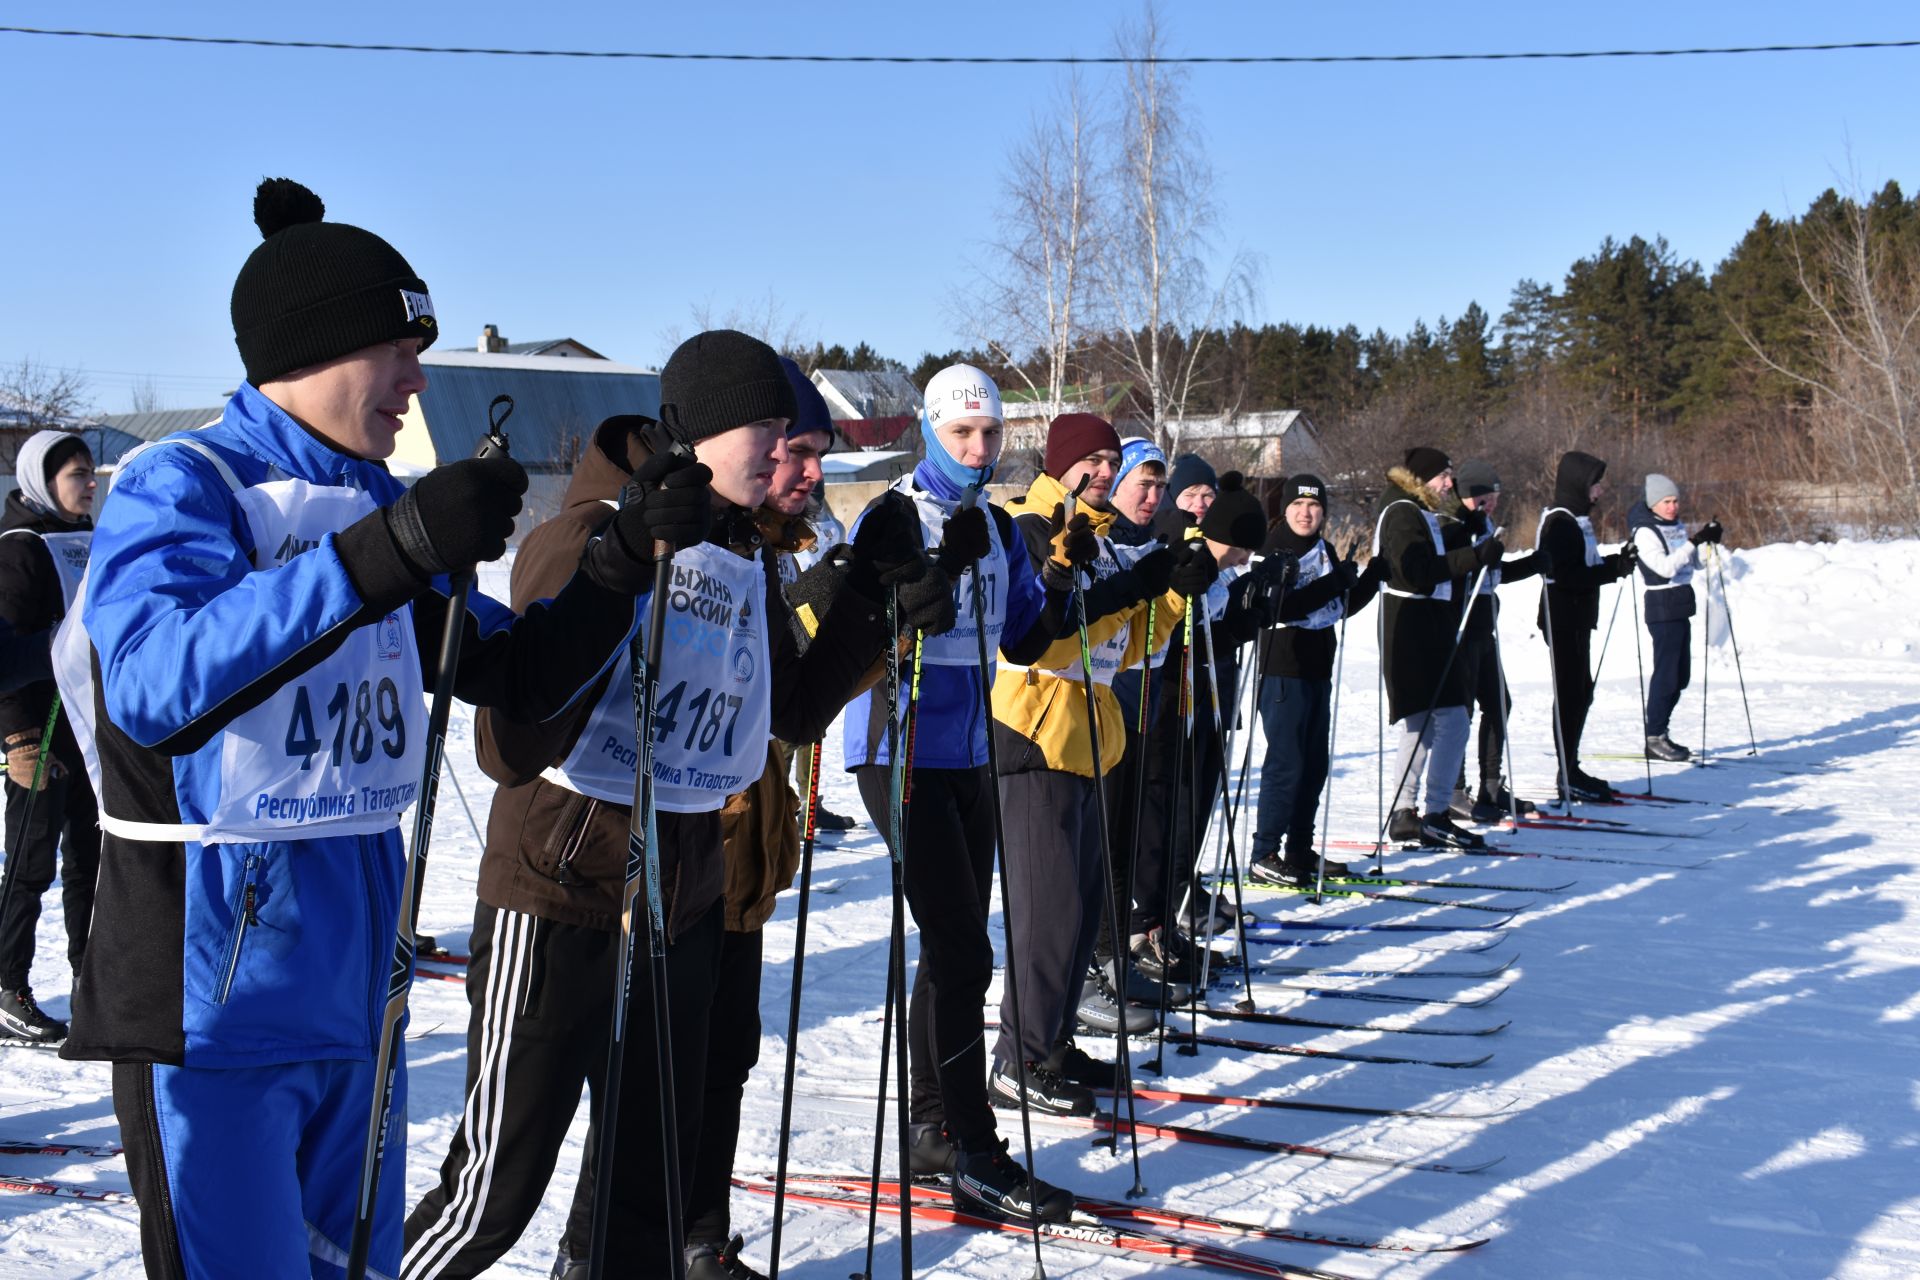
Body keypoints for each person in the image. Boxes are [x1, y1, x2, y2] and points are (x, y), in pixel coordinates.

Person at [63, 177, 667, 1280]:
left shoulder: (370, 510)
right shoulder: (184, 482)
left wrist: (620, 563)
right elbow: (151, 680)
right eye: (398, 346)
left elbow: (515, 682)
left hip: (358, 1003)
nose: (416, 378)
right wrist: (383, 552)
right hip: (212, 1010)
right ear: (317, 347)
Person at [400, 333, 907, 1279]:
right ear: (706, 429)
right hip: (557, 896)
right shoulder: (586, 529)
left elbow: (786, 711)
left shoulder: (741, 553)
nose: (786, 454)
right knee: (491, 1197)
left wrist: (870, 592)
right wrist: (623, 560)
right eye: (770, 429)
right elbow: (506, 740)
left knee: (645, 1195)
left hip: (680, 905)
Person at [841, 364, 1082, 1222]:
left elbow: (1025, 640)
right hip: (897, 749)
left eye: (991, 435)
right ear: (930, 431)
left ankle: (933, 1126)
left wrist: (1059, 579)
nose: (979, 451)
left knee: (955, 948)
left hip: (971, 752)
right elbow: (864, 622)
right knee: (959, 948)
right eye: (961, 435)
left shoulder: (1002, 524)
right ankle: (972, 1148)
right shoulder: (892, 514)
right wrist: (940, 564)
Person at [989, 412, 1197, 1116]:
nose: (1105, 472)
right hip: (1034, 737)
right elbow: (1044, 642)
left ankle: (1050, 1043)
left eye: (1113, 459)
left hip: (1091, 737)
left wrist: (1169, 591)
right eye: (1093, 460)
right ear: (1061, 463)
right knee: (1046, 914)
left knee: (1078, 913)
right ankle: (1018, 1057)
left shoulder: (1103, 541)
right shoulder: (1028, 526)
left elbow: (1128, 645)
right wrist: (1129, 593)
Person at [1129, 472, 1264, 966]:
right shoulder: (1185, 556)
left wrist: (1248, 617)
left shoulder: (1217, 567)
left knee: (1182, 812)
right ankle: (1146, 928)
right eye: (1246, 546)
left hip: (1194, 701)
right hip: (1163, 703)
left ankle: (1165, 920)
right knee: (1158, 816)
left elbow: (1208, 633)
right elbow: (1166, 633)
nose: (1248, 557)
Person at [0, 428, 99, 1043]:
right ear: (44, 480)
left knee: (93, 863)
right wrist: (18, 739)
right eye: (77, 474)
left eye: (92, 472)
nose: (91, 484)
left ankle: (93, 984)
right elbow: (3, 655)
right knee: (31, 867)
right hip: (43, 732)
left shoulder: (91, 540)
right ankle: (9, 987)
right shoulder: (20, 549)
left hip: (90, 732)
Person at [1247, 473, 1380, 887]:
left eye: (1314, 506)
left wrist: (1370, 579)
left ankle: (1300, 850)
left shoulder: (1321, 549)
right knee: (1287, 764)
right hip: (1283, 669)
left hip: (1317, 666)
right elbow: (1282, 608)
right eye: (1298, 506)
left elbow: (1334, 606)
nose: (1306, 513)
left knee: (1314, 766)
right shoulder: (1273, 550)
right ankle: (1265, 851)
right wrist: (1333, 583)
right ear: (1285, 509)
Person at [1374, 447, 1498, 848]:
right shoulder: (1403, 512)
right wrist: (1473, 557)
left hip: (1422, 622)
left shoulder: (1415, 510)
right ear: (1421, 476)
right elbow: (1416, 575)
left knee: (1423, 721)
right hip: (1413, 625)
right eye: (1443, 476)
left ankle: (1405, 811)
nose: (1449, 483)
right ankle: (1436, 812)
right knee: (1451, 719)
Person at [770, 358, 858, 832]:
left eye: (822, 459)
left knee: (813, 727)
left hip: (813, 639)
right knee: (785, 738)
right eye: (802, 452)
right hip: (794, 630)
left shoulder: (825, 522)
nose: (815, 474)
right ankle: (786, 800)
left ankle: (809, 798)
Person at [1446, 460, 1548, 823]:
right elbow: (1459, 568)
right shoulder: (1455, 524)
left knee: (1499, 703)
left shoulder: (1483, 524)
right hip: (1462, 626)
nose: (1490, 505)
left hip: (1484, 624)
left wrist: (1534, 563)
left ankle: (1491, 783)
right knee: (1461, 711)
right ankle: (1452, 789)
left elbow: (1495, 575)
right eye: (1484, 499)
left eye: (1494, 498)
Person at [1536, 450, 1636, 800]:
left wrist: (1616, 562)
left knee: (1580, 691)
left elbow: (1582, 565)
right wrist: (1612, 571)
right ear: (1579, 483)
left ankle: (1571, 767)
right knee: (1571, 694)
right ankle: (1567, 772)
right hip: (1564, 617)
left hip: (1576, 617)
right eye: (1595, 483)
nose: (1600, 490)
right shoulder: (1561, 522)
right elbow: (1564, 575)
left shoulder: (1576, 518)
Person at [1629, 474, 1722, 762]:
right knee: (1666, 675)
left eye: (1675, 501)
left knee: (1680, 676)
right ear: (1653, 503)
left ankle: (1662, 732)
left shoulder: (1674, 527)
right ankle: (1654, 736)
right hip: (1661, 603)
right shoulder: (1645, 532)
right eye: (1666, 502)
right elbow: (1665, 568)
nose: (1672, 507)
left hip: (1681, 603)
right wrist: (1694, 541)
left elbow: (1692, 562)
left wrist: (1708, 542)